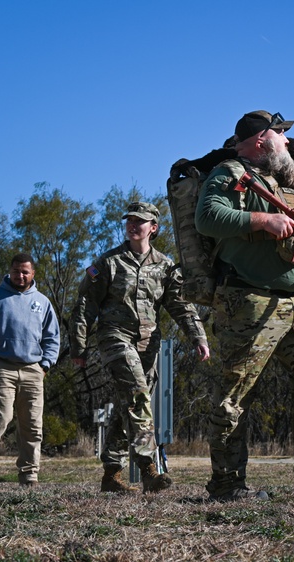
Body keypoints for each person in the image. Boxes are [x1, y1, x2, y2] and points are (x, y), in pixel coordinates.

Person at [194, 110, 294, 501]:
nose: (287, 141)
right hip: (248, 299)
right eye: (280, 134)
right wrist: (261, 221)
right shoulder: (231, 172)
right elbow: (207, 216)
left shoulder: (285, 185)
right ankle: (226, 484)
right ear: (259, 140)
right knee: (237, 393)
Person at [70, 202, 210, 494]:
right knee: (137, 394)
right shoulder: (109, 262)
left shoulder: (165, 266)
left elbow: (181, 307)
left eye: (140, 221)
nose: (133, 226)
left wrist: (198, 337)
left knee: (129, 405)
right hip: (114, 338)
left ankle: (111, 474)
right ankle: (149, 470)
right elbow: (85, 306)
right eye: (129, 221)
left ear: (153, 228)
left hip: (148, 345)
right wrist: (78, 346)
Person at [0, 253, 60, 486]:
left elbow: (53, 337)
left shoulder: (42, 302)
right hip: (2, 368)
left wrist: (45, 365)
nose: (20, 275)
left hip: (33, 370)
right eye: (16, 271)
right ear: (10, 271)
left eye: (25, 271)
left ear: (33, 274)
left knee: (32, 425)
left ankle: (29, 475)